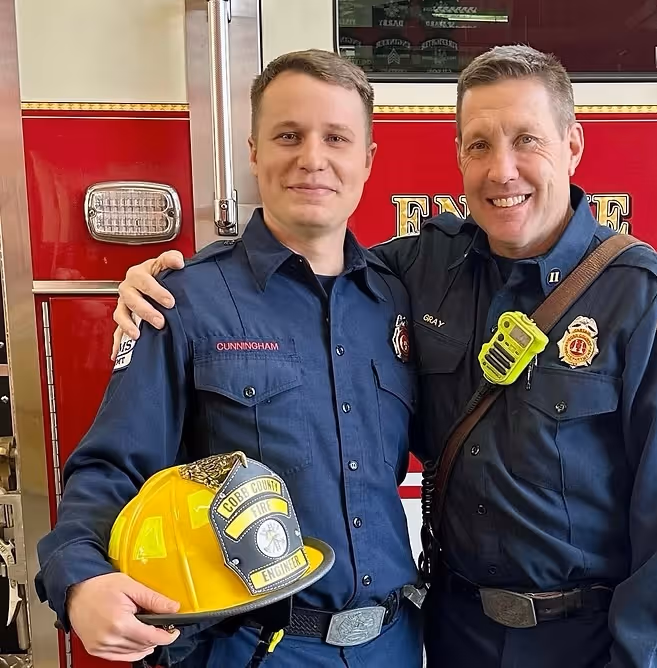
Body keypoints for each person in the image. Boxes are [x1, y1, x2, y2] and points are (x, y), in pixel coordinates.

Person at [112, 45, 657, 668]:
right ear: (458, 157)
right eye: (479, 145)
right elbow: (312, 271)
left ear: (573, 145)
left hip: (579, 640)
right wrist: (170, 285)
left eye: (526, 140)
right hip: (452, 632)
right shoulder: (416, 271)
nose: (502, 170)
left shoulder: (646, 297)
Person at [35, 50, 423, 668]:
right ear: (253, 150)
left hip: (394, 644)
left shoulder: (398, 298)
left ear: (368, 159)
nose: (312, 158)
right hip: (248, 650)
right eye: (288, 136)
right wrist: (80, 579)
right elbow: (111, 467)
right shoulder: (181, 300)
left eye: (337, 138)